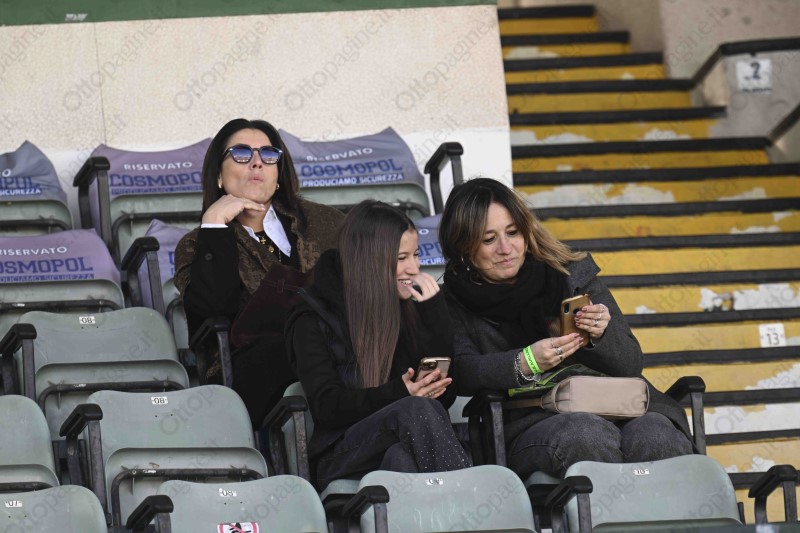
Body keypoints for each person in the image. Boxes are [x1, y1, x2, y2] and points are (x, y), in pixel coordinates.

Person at [439, 178, 693, 479]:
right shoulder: (450, 302)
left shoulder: (570, 272)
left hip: (622, 403)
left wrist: (600, 336)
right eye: (488, 239)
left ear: (526, 231)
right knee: (586, 433)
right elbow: (463, 372)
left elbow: (631, 363)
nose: (506, 248)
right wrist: (525, 362)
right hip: (533, 419)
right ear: (464, 247)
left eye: (513, 232)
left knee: (657, 435)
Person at [285, 200, 471, 490]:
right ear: (369, 260)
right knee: (415, 410)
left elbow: (443, 400)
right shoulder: (312, 317)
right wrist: (400, 392)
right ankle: (468, 501)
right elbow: (326, 406)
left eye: (416, 255)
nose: (414, 268)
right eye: (401, 258)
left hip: (399, 443)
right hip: (340, 451)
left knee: (401, 461)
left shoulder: (411, 307)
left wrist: (435, 319)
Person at [174, 118, 344, 427]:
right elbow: (211, 311)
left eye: (268, 154)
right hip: (256, 366)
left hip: (335, 345)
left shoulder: (326, 222)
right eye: (241, 154)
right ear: (218, 176)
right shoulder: (196, 244)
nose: (257, 163)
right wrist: (215, 226)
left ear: (279, 173)